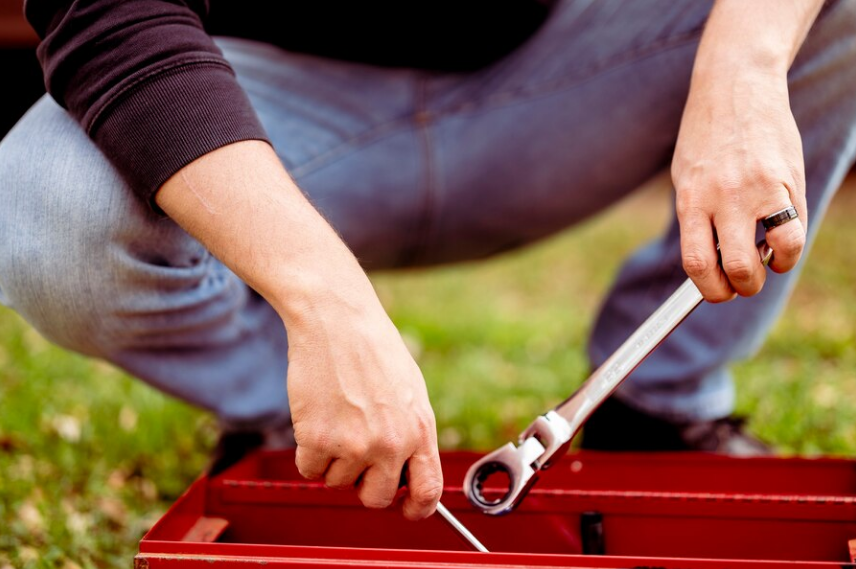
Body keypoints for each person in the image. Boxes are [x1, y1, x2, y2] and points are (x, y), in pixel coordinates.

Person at [0, 0, 854, 522]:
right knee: (41, 200)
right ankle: (294, 420)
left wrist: (744, 68)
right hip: (253, 101)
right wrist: (321, 299)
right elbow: (107, 14)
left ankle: (661, 406)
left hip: (558, 74)